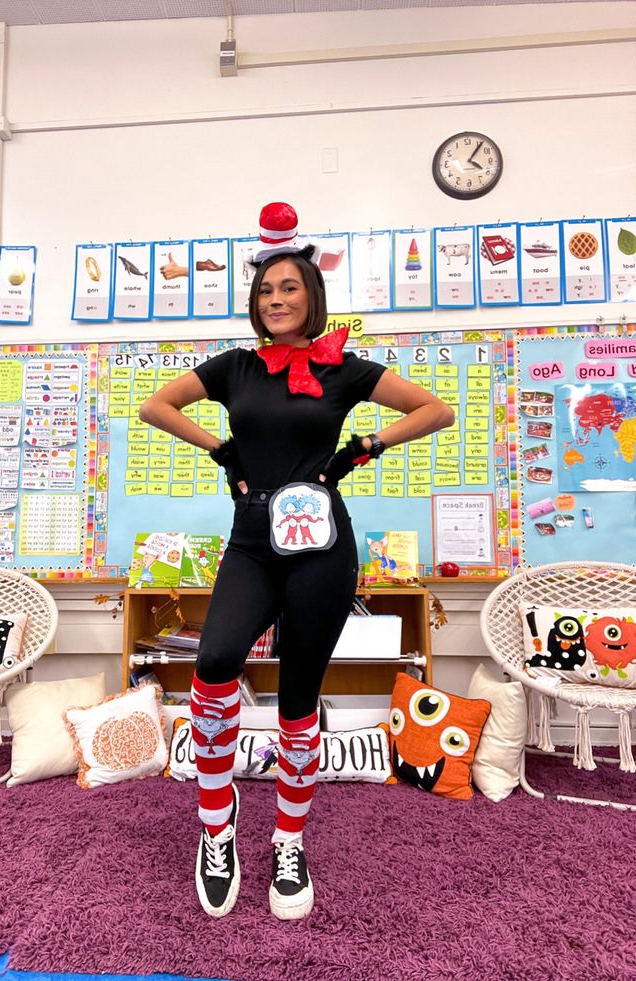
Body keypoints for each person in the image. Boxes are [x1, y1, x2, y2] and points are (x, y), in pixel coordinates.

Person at [139, 202, 455, 922]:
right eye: (266, 291)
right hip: (252, 540)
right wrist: (221, 450)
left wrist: (366, 447)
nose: (278, 300)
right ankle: (217, 827)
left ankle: (288, 839)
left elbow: (437, 410)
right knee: (215, 662)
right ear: (256, 303)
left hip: (322, 548)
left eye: (290, 288)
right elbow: (157, 405)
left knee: (297, 698)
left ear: (312, 294)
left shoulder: (344, 367)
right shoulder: (235, 367)